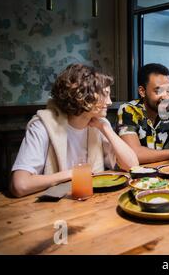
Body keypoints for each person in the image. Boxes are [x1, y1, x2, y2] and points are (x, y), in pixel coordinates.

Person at [10, 64, 139, 198]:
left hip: (93, 202)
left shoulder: (99, 124)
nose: (110, 102)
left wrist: (105, 128)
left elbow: (132, 165)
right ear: (82, 94)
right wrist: (72, 174)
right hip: (52, 208)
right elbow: (20, 185)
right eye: (105, 95)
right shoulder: (42, 125)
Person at [117, 63, 169, 164]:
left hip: (167, 172)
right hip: (136, 175)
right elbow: (135, 154)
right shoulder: (128, 110)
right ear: (142, 91)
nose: (166, 97)